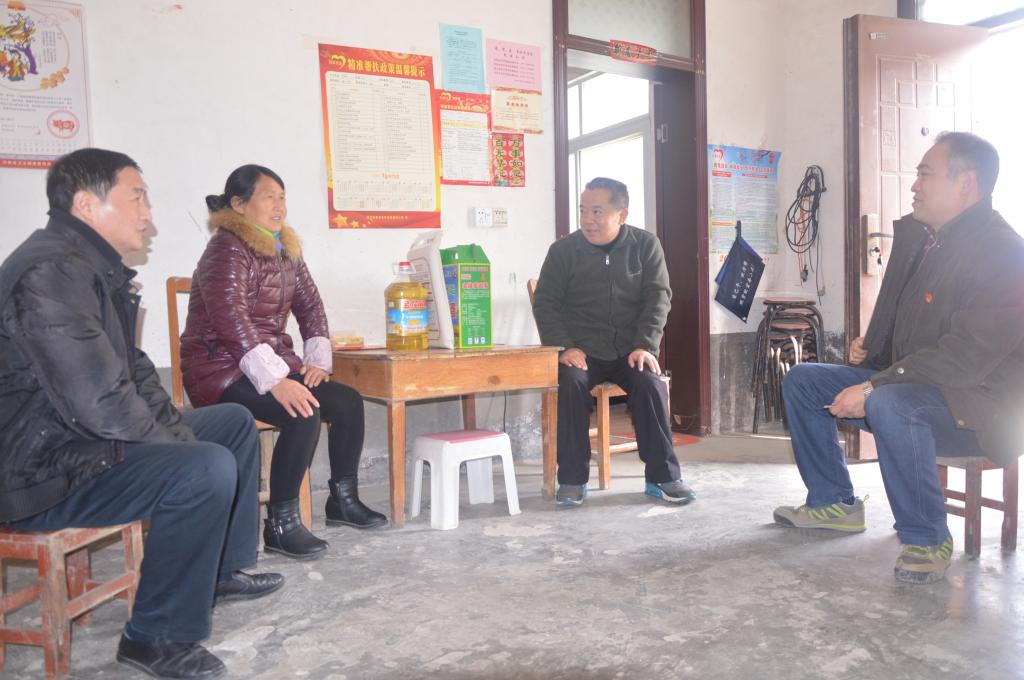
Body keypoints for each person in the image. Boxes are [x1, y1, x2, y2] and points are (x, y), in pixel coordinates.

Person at [0, 148, 283, 680]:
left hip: (77, 443)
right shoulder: (51, 272)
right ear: (87, 204)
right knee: (202, 468)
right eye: (136, 198)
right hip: (38, 472)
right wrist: (179, 451)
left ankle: (218, 572)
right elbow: (101, 403)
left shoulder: (89, 267)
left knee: (230, 424)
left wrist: (175, 434)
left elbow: (135, 377)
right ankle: (155, 637)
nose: (148, 215)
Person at [774, 132, 1024, 584]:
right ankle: (835, 502)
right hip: (927, 389)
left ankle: (927, 538)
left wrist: (875, 384)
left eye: (925, 174)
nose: (914, 185)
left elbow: (964, 356)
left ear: (966, 183)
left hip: (982, 409)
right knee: (804, 381)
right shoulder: (933, 243)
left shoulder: (1003, 252)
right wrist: (875, 350)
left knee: (889, 402)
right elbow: (922, 332)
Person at [180, 164, 386, 561]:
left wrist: (316, 361)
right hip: (219, 369)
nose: (279, 206)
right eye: (268, 197)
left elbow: (311, 307)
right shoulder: (225, 249)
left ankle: (342, 501)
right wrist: (276, 380)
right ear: (239, 205)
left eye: (282, 197)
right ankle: (280, 525)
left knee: (347, 401)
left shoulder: (284, 248)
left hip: (266, 362)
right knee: (302, 410)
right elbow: (230, 320)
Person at [532, 177, 696, 507]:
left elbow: (658, 298)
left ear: (622, 215)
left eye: (597, 211)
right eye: (583, 211)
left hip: (630, 350)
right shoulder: (563, 251)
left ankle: (663, 477)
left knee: (651, 384)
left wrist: (645, 345)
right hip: (582, 351)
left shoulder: (645, 245)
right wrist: (565, 346)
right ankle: (573, 479)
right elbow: (546, 303)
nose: (587, 219)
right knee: (571, 383)